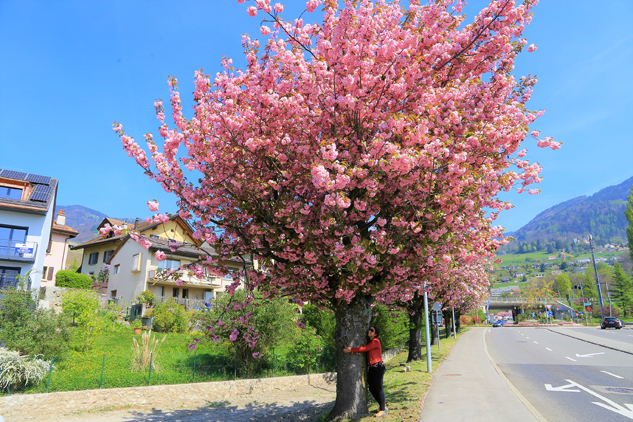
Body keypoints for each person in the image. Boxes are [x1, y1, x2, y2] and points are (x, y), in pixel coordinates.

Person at [344, 326, 387, 417]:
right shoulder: (369, 341)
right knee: (371, 387)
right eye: (369, 329)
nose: (369, 331)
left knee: (378, 388)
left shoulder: (376, 341)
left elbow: (365, 348)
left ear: (375, 334)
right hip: (372, 367)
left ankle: (382, 410)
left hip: (378, 367)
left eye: (372, 330)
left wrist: (351, 350)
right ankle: (382, 405)